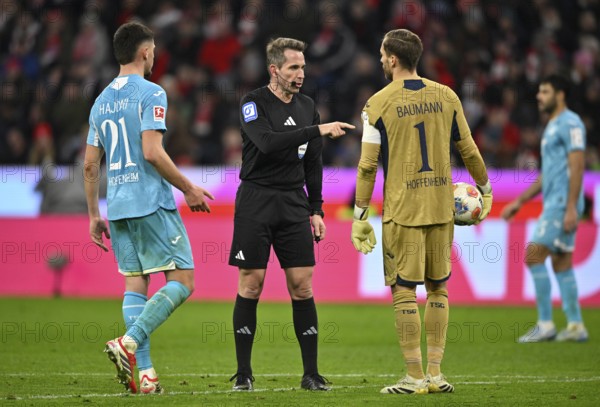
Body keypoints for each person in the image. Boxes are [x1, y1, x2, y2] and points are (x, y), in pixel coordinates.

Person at [350, 29, 492, 395]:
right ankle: (436, 374)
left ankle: (413, 377)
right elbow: (469, 149)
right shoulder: (447, 96)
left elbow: (367, 167)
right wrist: (486, 188)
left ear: (393, 59)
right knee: (439, 288)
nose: (381, 60)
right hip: (441, 208)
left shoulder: (376, 104)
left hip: (402, 210)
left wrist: (360, 216)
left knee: (403, 291)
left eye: (383, 54)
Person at [83, 22, 213, 394]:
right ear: (144, 52)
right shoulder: (152, 93)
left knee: (136, 285)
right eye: (153, 49)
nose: (154, 55)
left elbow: (91, 164)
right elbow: (152, 152)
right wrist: (188, 188)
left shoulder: (100, 100)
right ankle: (129, 340)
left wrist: (94, 213)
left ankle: (147, 376)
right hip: (149, 201)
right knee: (183, 281)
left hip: (119, 205)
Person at [228, 37, 354, 392]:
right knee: (251, 284)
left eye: (302, 67)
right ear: (274, 70)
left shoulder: (307, 105)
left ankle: (311, 374)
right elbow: (266, 142)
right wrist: (318, 129)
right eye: (293, 68)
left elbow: (313, 163)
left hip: (293, 203)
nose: (301, 74)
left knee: (302, 286)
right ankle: (243, 374)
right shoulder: (253, 103)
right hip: (256, 201)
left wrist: (316, 209)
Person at [501, 74, 588, 343]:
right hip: (556, 201)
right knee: (561, 263)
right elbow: (546, 175)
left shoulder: (570, 123)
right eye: (539, 91)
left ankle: (545, 324)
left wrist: (572, 207)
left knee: (532, 255)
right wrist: (520, 201)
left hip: (562, 203)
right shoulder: (551, 126)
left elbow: (577, 164)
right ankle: (575, 325)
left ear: (560, 94)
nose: (539, 96)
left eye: (545, 91)